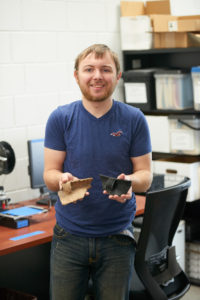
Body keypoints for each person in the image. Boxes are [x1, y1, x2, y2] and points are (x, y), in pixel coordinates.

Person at [43, 44, 152, 300]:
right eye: (89, 69)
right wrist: (60, 179)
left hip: (117, 239)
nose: (97, 76)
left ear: (117, 76)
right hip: (68, 237)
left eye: (106, 69)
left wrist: (129, 183)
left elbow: (145, 177)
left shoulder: (134, 119)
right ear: (76, 75)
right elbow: (49, 174)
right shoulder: (60, 118)